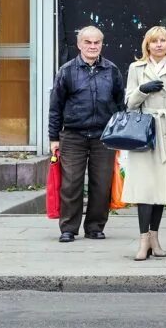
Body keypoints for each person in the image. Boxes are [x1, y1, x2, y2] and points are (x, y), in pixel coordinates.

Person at [48, 25, 125, 243]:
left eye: (96, 42)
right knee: (71, 183)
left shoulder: (112, 71)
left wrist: (120, 135)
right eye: (88, 42)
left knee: (101, 184)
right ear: (79, 44)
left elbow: (120, 105)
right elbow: (55, 107)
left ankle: (95, 227)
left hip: (104, 136)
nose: (92, 46)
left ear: (101, 44)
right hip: (73, 136)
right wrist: (53, 138)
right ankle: (68, 229)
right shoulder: (67, 71)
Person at [122, 26, 166, 260]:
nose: (159, 44)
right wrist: (142, 90)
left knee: (161, 187)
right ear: (147, 45)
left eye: (163, 41)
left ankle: (154, 238)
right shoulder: (136, 68)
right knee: (144, 187)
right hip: (144, 130)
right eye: (154, 41)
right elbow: (129, 103)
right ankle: (143, 241)